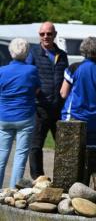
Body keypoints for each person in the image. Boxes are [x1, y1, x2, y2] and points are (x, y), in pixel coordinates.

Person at [27, 21, 68, 180]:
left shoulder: (62, 54)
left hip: (59, 108)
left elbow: (67, 79)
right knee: (36, 146)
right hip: (40, 108)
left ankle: (63, 178)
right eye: (42, 34)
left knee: (64, 147)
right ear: (39, 35)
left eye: (49, 34)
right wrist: (34, 90)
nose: (45, 37)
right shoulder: (33, 53)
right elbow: (28, 76)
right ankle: (38, 178)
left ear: (55, 35)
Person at [0, 38, 40, 188]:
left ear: (11, 52)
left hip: (4, 117)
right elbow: (36, 90)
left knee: (1, 155)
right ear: (27, 52)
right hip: (25, 116)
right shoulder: (32, 70)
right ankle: (12, 191)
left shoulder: (2, 71)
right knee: (20, 156)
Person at [60, 37, 96, 145]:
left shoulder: (74, 68)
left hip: (74, 117)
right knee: (91, 155)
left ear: (83, 50)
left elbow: (63, 93)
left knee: (70, 156)